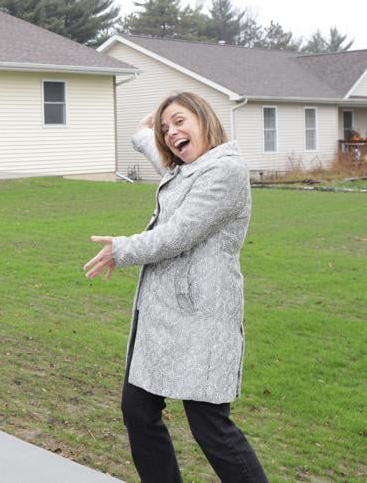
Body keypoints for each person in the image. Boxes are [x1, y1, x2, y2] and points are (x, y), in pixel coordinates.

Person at [84, 91, 268, 483]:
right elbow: (148, 139)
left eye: (181, 121)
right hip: (161, 316)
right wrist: (157, 122)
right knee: (138, 410)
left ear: (205, 118)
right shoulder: (186, 170)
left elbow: (178, 234)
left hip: (202, 316)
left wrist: (122, 249)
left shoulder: (225, 172)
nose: (170, 133)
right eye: (166, 128)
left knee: (210, 427)